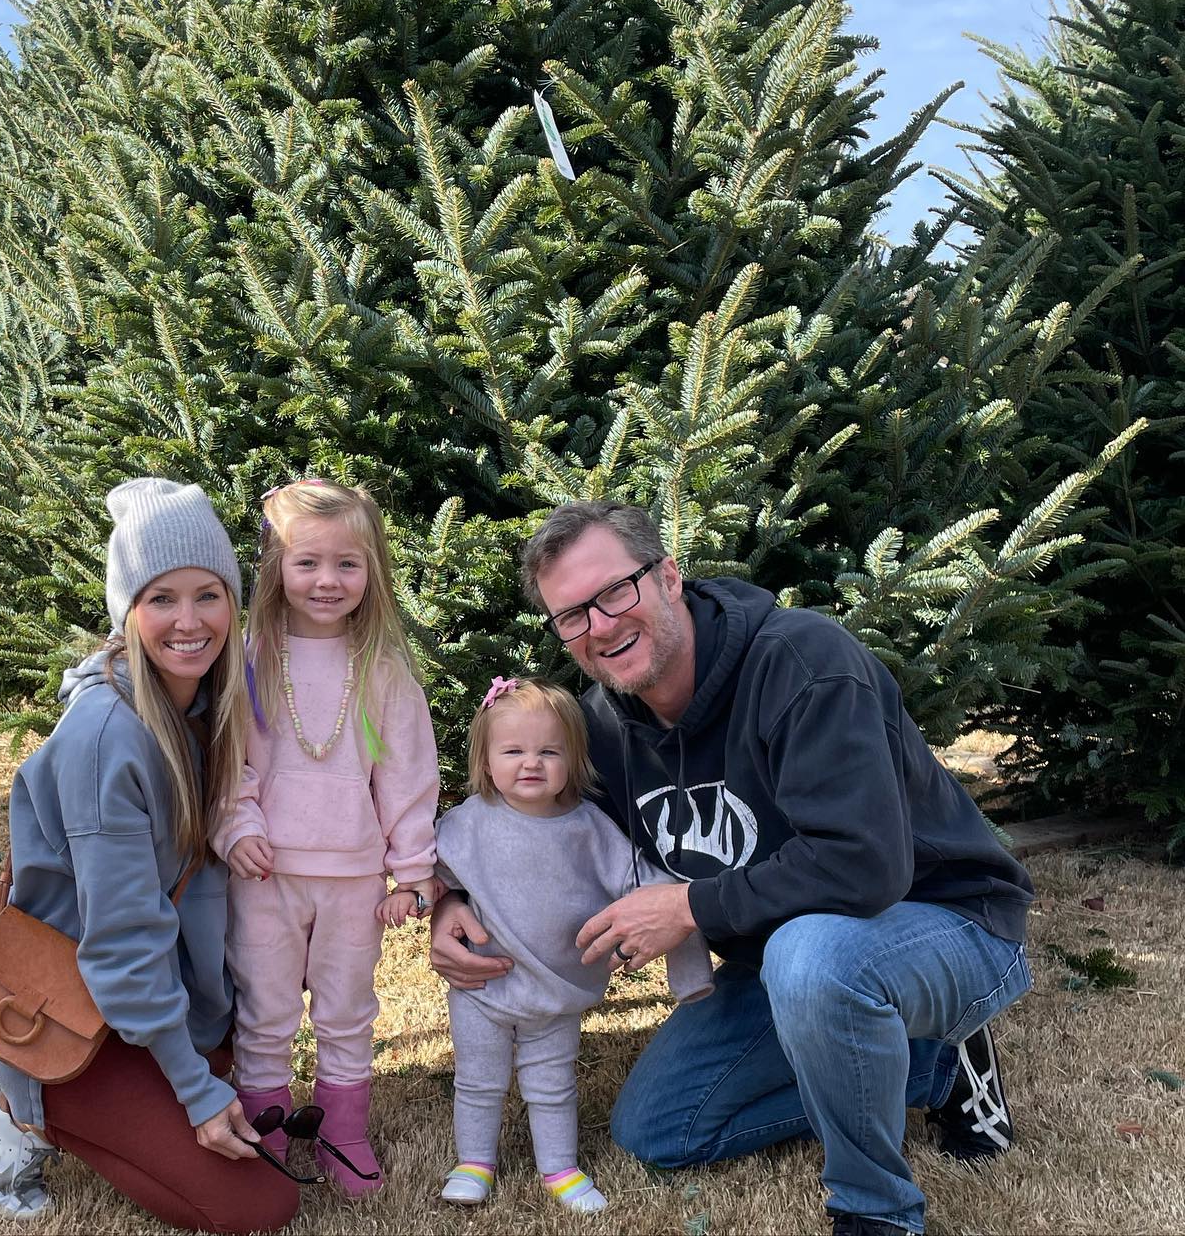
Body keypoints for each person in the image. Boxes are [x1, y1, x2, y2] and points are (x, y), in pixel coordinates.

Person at [431, 501, 1036, 1236]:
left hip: (944, 919)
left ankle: (875, 1211)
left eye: (614, 592)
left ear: (669, 576)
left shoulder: (805, 664)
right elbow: (541, 829)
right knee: (659, 1131)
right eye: (572, 616)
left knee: (810, 955)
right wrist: (453, 896)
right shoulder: (603, 724)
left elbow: (864, 866)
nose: (600, 625)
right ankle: (934, 1069)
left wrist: (688, 907)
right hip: (776, 959)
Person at [0, 477, 299, 1231]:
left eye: (208, 595)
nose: (189, 621)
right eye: (161, 599)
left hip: (142, 1003)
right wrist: (197, 1088)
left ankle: (159, 1076)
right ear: (127, 612)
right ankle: (18, 1105)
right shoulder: (107, 740)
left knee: (257, 1142)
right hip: (71, 1012)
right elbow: (121, 943)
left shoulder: (209, 706)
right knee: (259, 1206)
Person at [213, 478, 440, 1197]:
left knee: (347, 1006)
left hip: (354, 880)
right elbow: (229, 761)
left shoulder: (382, 666)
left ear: (372, 568)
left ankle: (343, 1129)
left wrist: (413, 869)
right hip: (265, 875)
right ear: (275, 567)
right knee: (266, 1009)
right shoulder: (250, 658)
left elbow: (408, 776)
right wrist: (239, 825)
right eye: (306, 562)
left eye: (348, 563)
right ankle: (268, 1132)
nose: (327, 580)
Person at [434, 676, 714, 1214]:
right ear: (486, 760)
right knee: (478, 1080)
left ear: (574, 759)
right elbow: (430, 872)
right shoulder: (467, 823)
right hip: (482, 988)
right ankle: (473, 1163)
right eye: (513, 750)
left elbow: (652, 889)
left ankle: (560, 1168)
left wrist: (690, 970)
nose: (531, 763)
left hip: (559, 991)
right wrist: (423, 900)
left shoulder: (591, 829)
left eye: (549, 751)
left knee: (552, 1083)